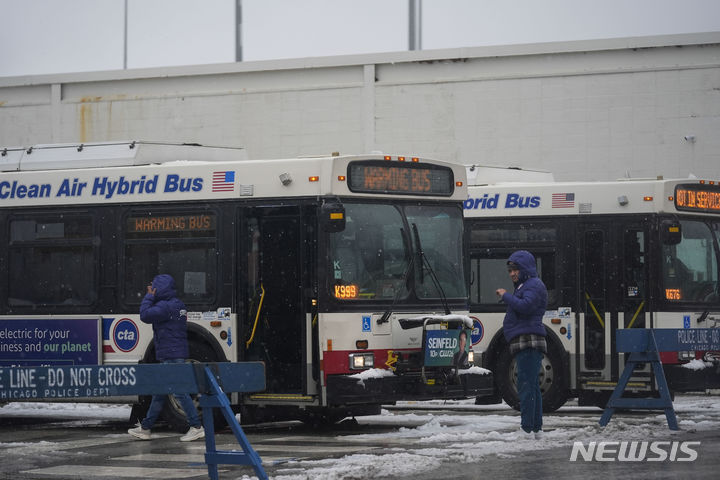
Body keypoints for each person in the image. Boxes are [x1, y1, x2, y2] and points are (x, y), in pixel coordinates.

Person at [128, 274, 205, 442]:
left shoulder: (164, 307)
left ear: (159, 289)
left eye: (154, 287)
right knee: (160, 393)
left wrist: (149, 296)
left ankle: (196, 426)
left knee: (179, 392)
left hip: (170, 355)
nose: (151, 290)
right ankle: (146, 427)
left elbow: (145, 315)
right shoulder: (178, 305)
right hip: (174, 354)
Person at [496, 250, 548, 439]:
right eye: (510, 271)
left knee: (526, 384)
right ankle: (536, 428)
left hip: (528, 340)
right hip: (524, 340)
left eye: (515, 270)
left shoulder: (533, 285)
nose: (512, 274)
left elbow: (526, 306)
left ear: (525, 268)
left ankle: (527, 429)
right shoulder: (526, 285)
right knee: (531, 385)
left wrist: (506, 296)